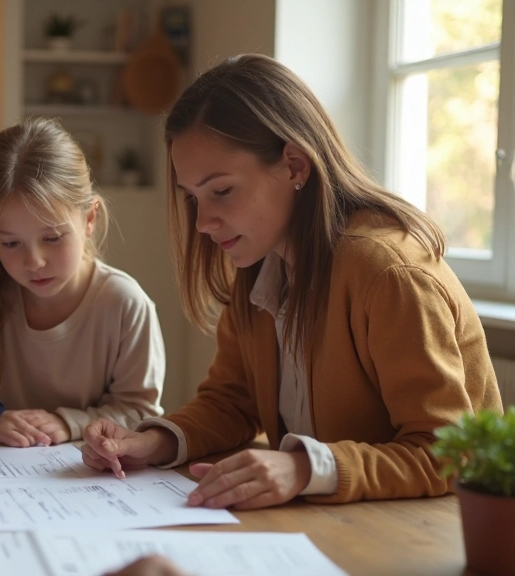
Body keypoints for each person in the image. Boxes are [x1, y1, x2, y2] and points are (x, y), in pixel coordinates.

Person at [81, 53, 502, 508]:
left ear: (295, 166)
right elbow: (233, 401)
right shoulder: (260, 262)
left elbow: (448, 453)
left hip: (427, 532)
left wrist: (304, 468)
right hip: (335, 524)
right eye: (193, 198)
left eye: (221, 191)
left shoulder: (388, 274)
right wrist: (152, 442)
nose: (202, 222)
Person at [0, 117, 165, 447]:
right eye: (11, 244)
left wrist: (67, 422)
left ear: (89, 219)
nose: (34, 262)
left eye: (53, 238)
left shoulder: (124, 304)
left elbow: (141, 412)